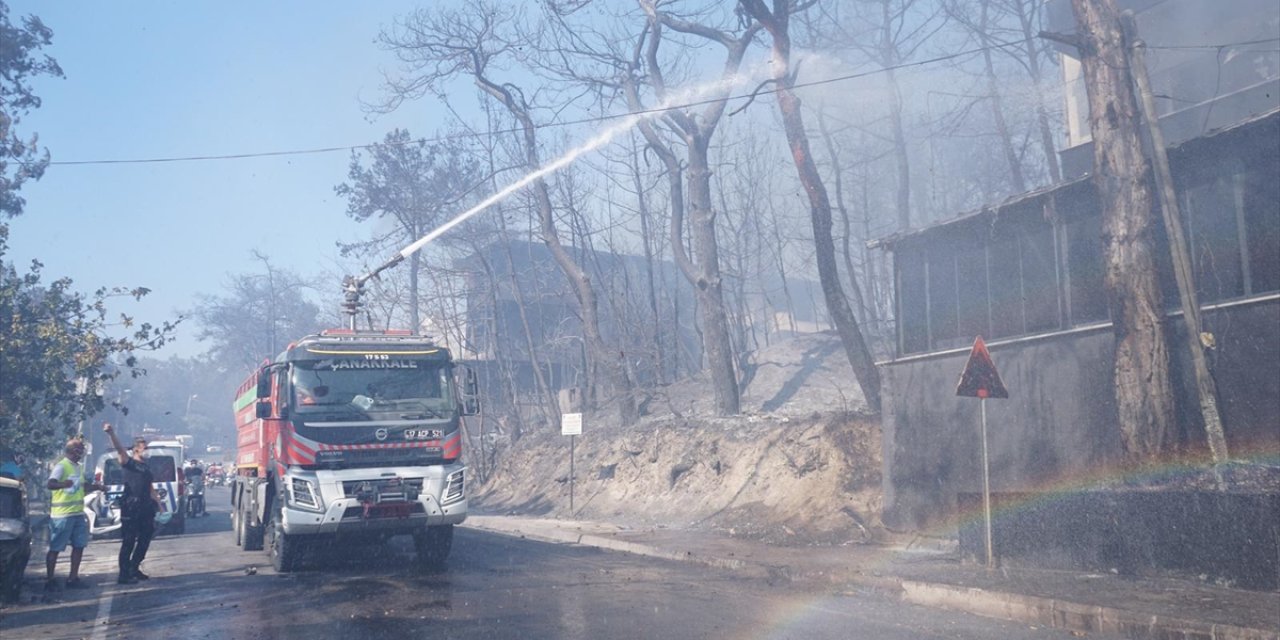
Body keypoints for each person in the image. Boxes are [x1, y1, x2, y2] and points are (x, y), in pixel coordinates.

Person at [45, 437, 104, 590]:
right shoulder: (62, 466)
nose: (82, 452)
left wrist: (97, 487)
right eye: (79, 449)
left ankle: (73, 578)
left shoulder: (78, 467)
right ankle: (50, 580)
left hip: (77, 513)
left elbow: (83, 487)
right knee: (56, 547)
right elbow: (50, 484)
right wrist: (63, 484)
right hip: (62, 515)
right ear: (71, 451)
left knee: (79, 545)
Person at [104, 423, 160, 584]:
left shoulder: (146, 468)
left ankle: (134, 568)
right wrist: (111, 433)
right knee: (128, 540)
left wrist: (160, 505)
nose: (147, 451)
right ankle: (124, 574)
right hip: (131, 507)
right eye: (144, 448)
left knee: (145, 539)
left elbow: (150, 487)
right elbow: (119, 449)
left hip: (146, 507)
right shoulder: (129, 463)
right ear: (136, 450)